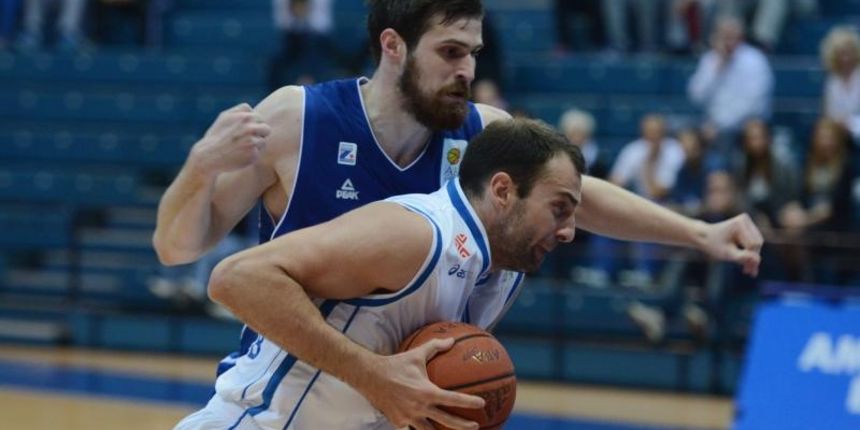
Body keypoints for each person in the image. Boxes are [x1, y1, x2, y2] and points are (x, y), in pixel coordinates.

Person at [154, 0, 763, 406]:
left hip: (403, 404)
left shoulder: (479, 133)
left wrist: (699, 233)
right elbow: (177, 248)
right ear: (393, 45)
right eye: (450, 52)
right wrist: (200, 170)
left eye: (473, 52)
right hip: (295, 393)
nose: (468, 69)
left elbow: (573, 193)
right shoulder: (298, 118)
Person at [173, 119, 763, 429]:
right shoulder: (414, 233)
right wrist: (374, 376)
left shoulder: (502, 257)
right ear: (502, 191)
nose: (570, 230)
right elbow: (234, 279)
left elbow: (586, 197)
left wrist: (699, 234)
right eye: (559, 211)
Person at [688, 15, 773, 160]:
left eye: (731, 36)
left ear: (741, 37)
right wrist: (718, 68)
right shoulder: (710, 60)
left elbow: (752, 104)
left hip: (746, 126)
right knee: (687, 139)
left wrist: (719, 126)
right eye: (723, 36)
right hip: (713, 126)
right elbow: (695, 96)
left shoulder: (755, 60)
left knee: (725, 138)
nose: (728, 42)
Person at [820, 25, 860, 142]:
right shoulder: (832, 81)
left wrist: (850, 124)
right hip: (838, 134)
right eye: (841, 53)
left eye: (849, 52)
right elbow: (830, 114)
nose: (845, 58)